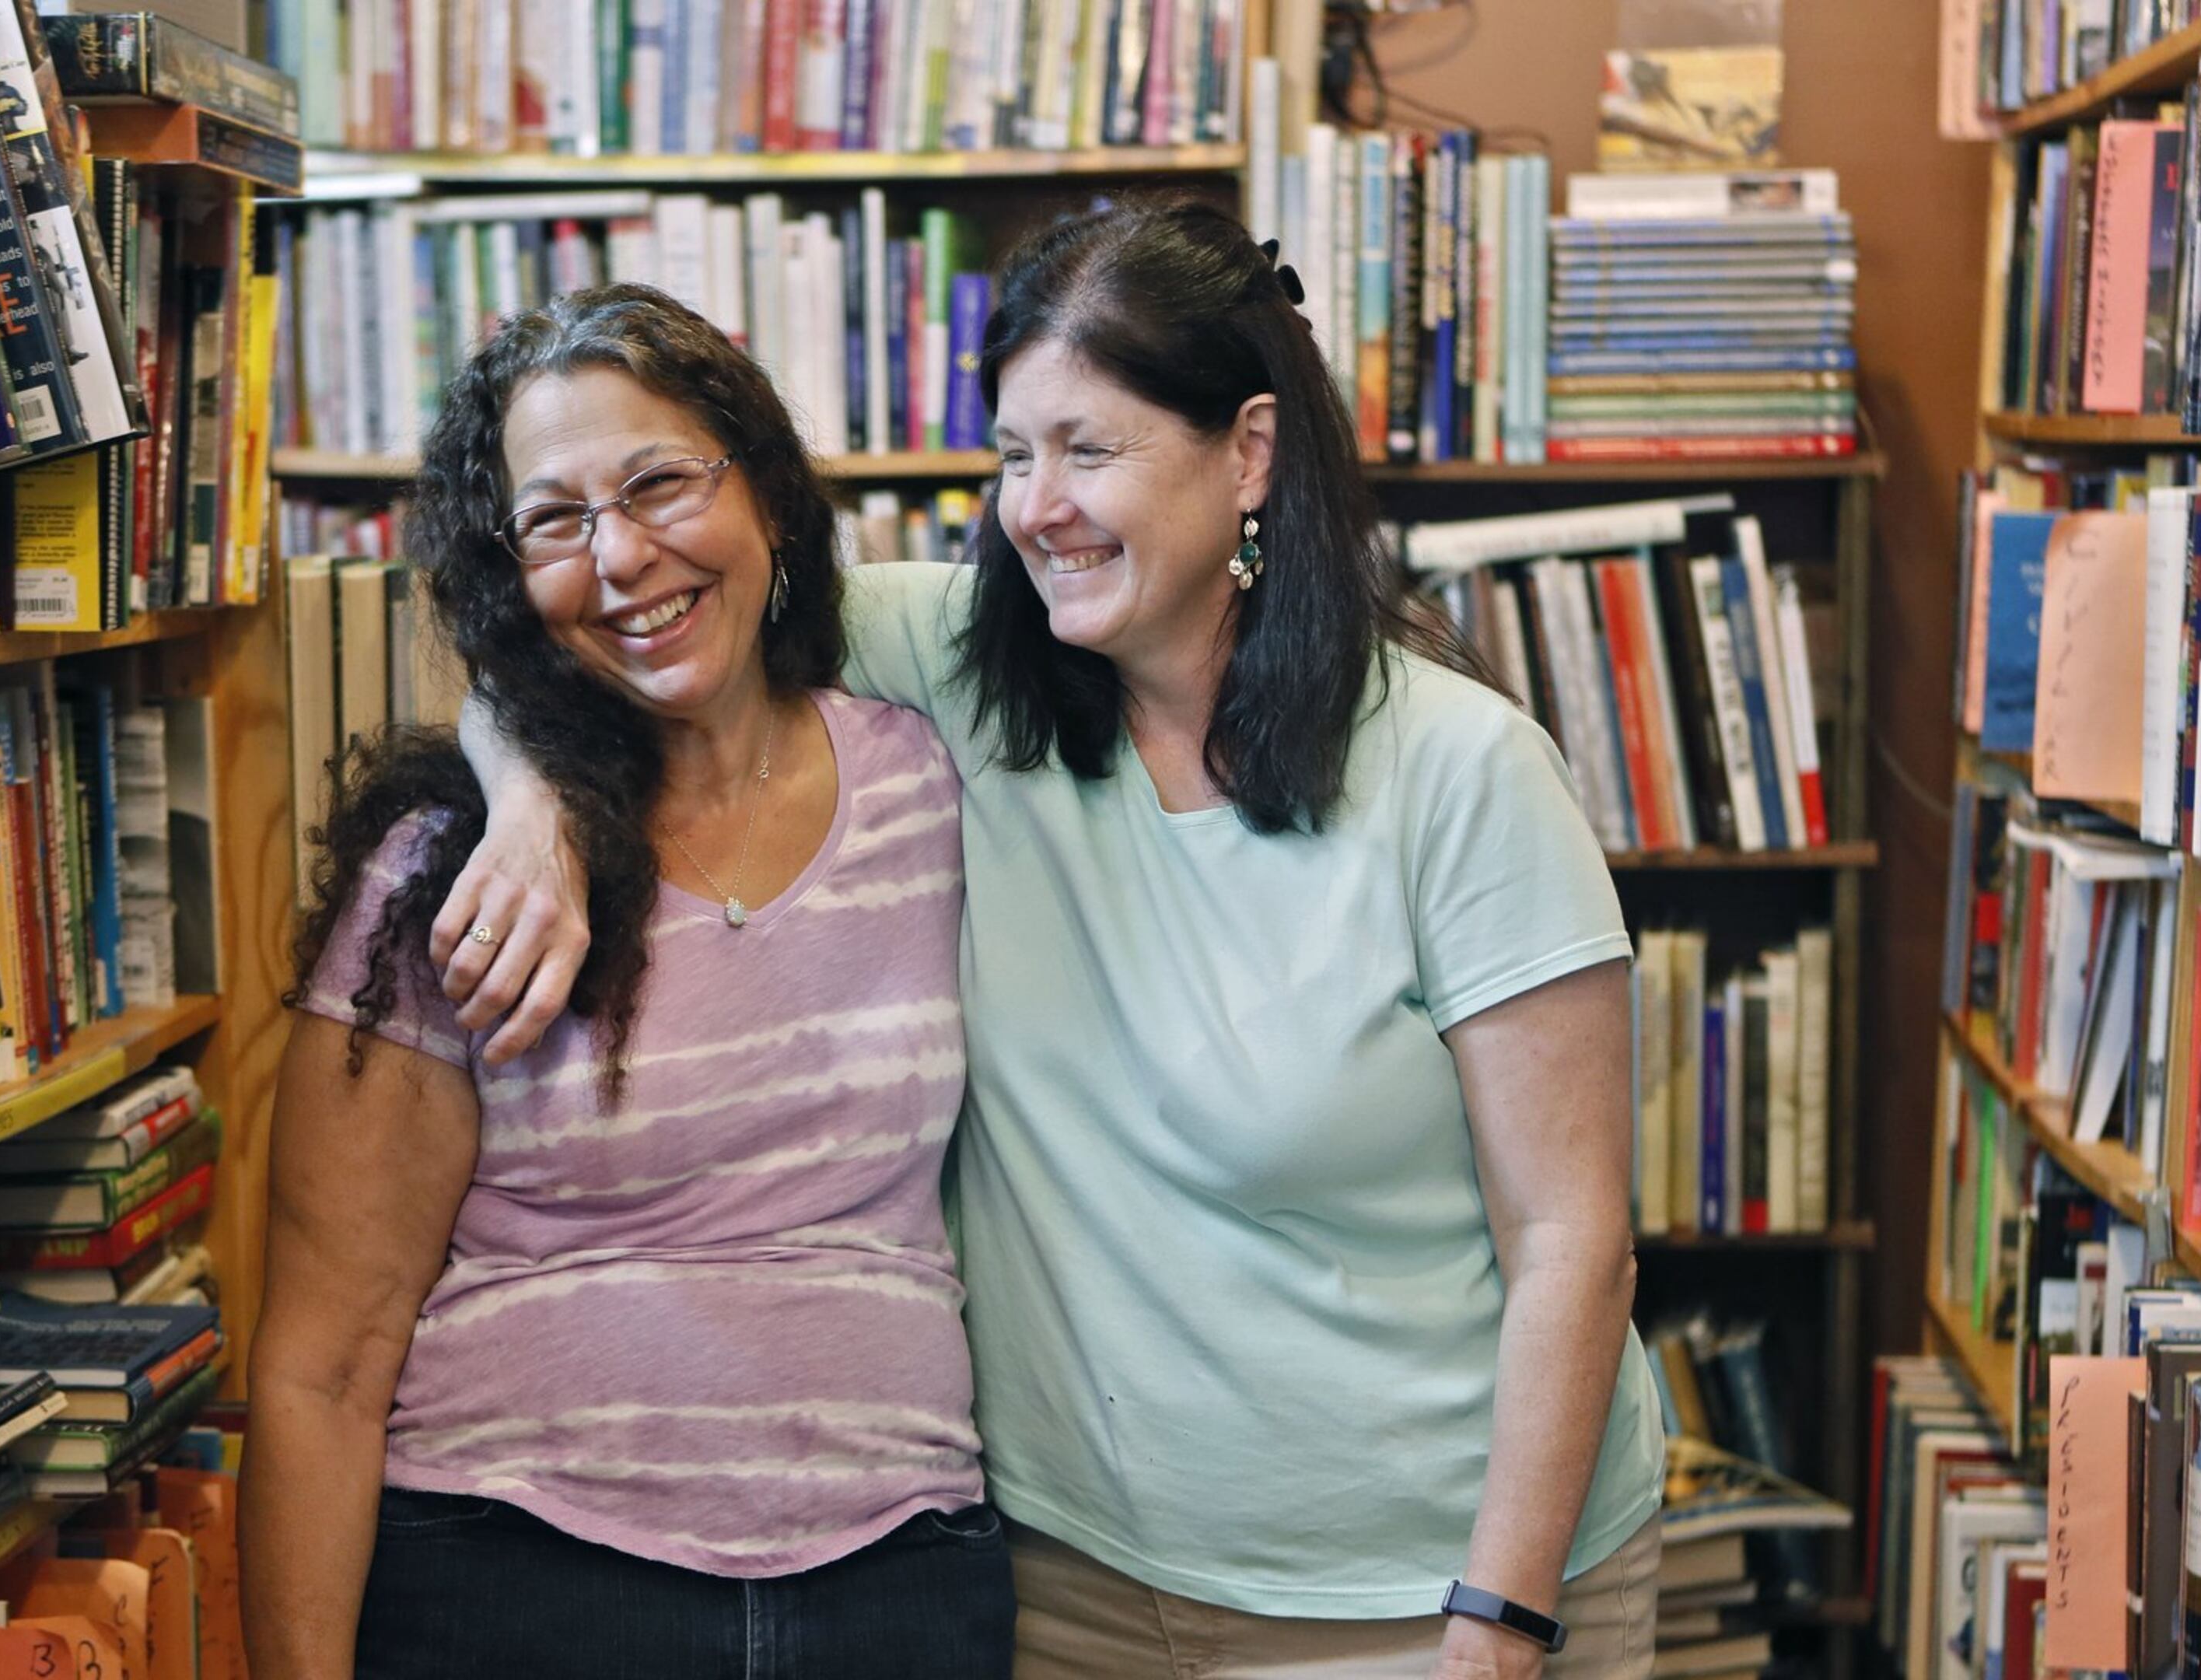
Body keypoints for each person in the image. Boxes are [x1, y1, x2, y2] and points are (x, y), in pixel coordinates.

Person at [436, 198, 1667, 1680]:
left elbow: (1574, 1241)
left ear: (1250, 454)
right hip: (1072, 1581)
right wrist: (524, 801)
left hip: (1434, 1587)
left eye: (1092, 451)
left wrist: (1501, 1620)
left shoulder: (1462, 772)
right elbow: (616, 620)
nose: (1038, 507)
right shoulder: (958, 671)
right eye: (1014, 457)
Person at [241, 285, 1016, 1680]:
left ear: (766, 494)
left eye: (661, 482)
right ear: (509, 581)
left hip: (903, 1579)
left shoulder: (933, 777)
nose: (621, 557)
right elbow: (325, 1365)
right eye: (554, 521)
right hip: (519, 1577)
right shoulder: (452, 880)